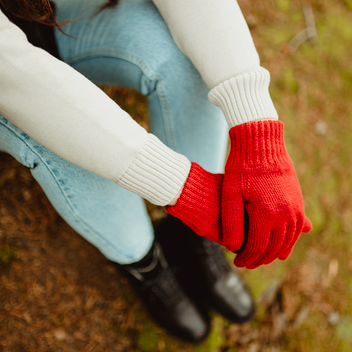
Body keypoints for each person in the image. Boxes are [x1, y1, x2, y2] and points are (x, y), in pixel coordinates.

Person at [0, 0, 312, 344]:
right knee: (53, 139)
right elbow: (11, 74)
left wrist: (257, 131)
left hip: (59, 14)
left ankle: (192, 236)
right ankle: (142, 259)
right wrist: (185, 189)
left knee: (186, 59)